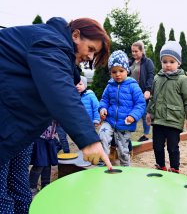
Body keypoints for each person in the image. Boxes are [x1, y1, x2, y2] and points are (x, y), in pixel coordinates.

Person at [0, 17, 112, 213]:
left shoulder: (57, 50)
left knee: (19, 187)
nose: (90, 56)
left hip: (19, 127)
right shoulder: (49, 42)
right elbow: (58, 88)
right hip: (6, 121)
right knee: (1, 196)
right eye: (91, 49)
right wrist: (89, 141)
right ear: (76, 35)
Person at [146, 41, 187, 173]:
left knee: (172, 147)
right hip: (158, 119)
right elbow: (153, 97)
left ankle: (174, 168)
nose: (168, 65)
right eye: (165, 61)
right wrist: (149, 113)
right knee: (157, 146)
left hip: (174, 120)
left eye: (172, 62)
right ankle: (160, 165)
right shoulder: (157, 78)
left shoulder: (183, 79)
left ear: (178, 63)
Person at [98, 50, 146, 166]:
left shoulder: (132, 86)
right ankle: (103, 161)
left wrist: (133, 116)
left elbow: (140, 103)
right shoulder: (110, 85)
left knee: (123, 149)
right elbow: (104, 100)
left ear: (127, 70)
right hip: (110, 120)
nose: (117, 74)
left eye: (121, 71)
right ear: (110, 72)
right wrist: (102, 108)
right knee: (102, 135)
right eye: (114, 72)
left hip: (125, 124)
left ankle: (126, 167)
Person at [129, 41, 154, 142]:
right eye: (132, 51)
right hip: (131, 92)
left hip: (142, 93)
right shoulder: (130, 62)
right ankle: (126, 135)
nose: (134, 53)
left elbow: (151, 76)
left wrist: (148, 90)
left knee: (144, 114)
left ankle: (146, 135)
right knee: (129, 113)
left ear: (142, 51)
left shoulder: (147, 62)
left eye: (136, 51)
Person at [29, 121, 58, 197]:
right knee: (39, 164)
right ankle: (32, 187)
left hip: (50, 138)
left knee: (48, 163)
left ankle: (45, 185)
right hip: (39, 138)